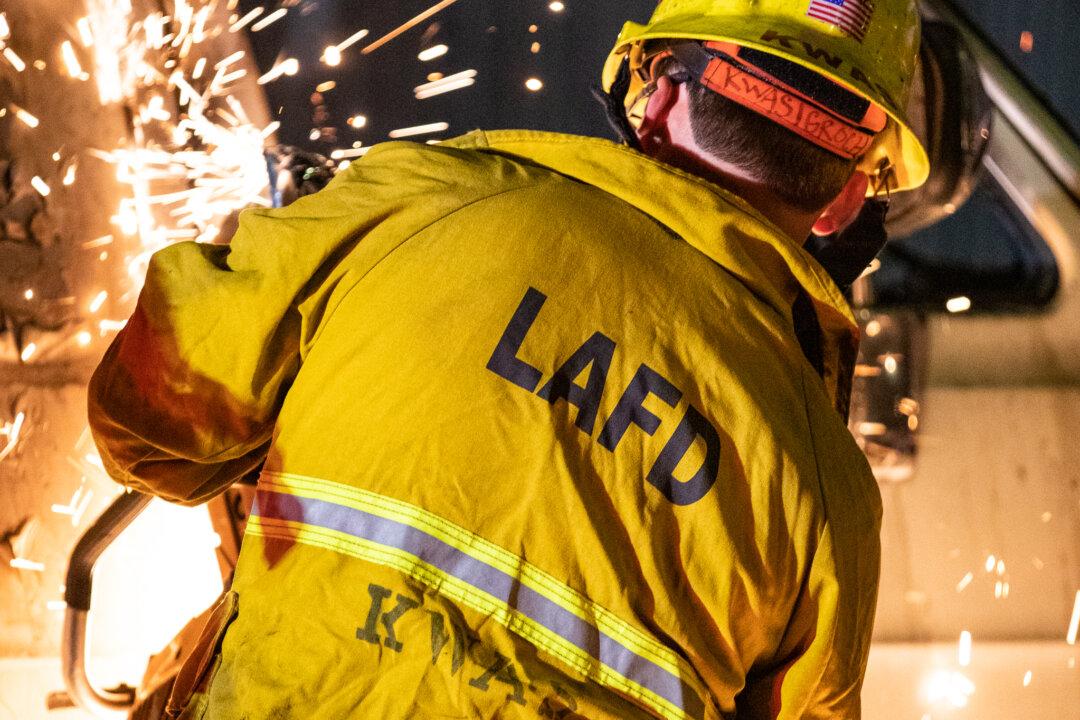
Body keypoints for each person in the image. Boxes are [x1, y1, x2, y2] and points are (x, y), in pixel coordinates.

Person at [88, 0, 929, 718]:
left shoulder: (419, 203)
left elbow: (141, 420)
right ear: (850, 195)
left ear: (658, 93)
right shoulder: (827, 490)